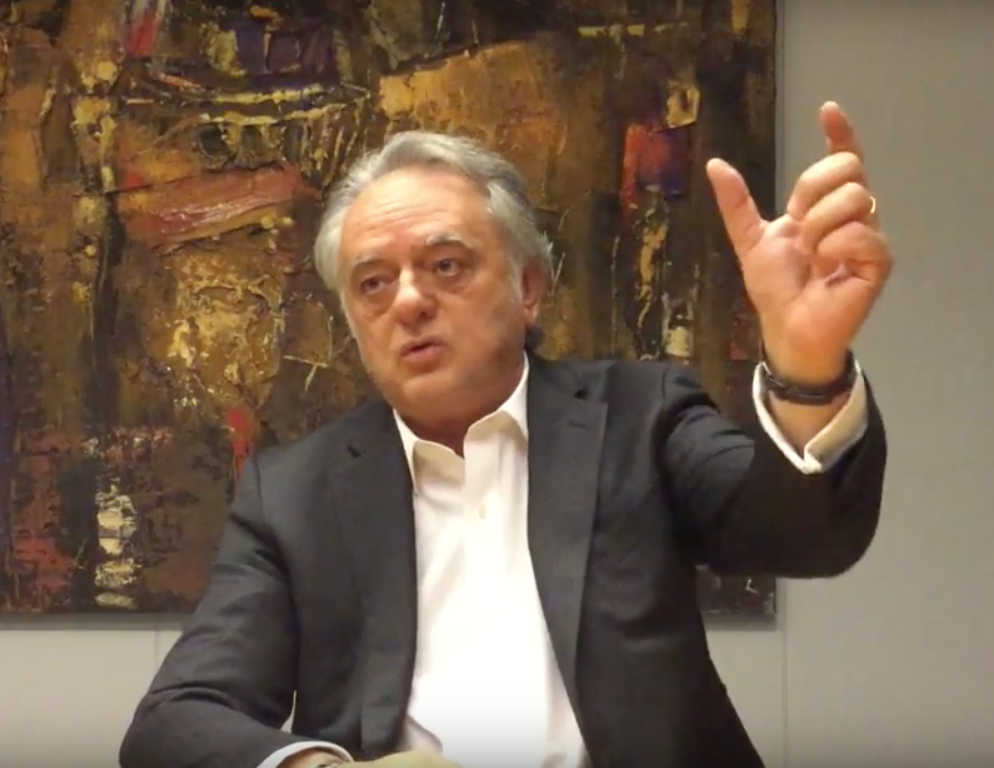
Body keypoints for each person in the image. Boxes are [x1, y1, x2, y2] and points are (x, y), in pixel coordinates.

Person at [118, 101, 891, 768]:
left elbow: (805, 536)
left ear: (527, 289)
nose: (409, 301)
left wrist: (806, 367)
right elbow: (176, 721)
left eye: (446, 265)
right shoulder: (293, 494)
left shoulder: (639, 418)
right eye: (373, 282)